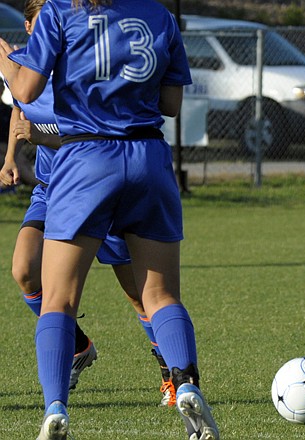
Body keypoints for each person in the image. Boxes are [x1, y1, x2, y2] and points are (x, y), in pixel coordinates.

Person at [0, 0, 219, 439]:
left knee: (59, 299)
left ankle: (55, 408)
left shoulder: (62, 11)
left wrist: (4, 59)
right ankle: (187, 384)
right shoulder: (159, 15)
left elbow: (25, 90)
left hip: (86, 159)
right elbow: (172, 103)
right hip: (149, 159)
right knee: (161, 295)